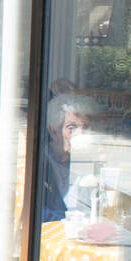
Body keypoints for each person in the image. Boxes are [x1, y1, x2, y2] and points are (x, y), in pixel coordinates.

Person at [41, 94, 94, 223]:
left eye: (85, 127)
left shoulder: (89, 163)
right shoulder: (40, 162)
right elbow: (37, 212)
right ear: (53, 132)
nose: (80, 134)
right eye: (72, 128)